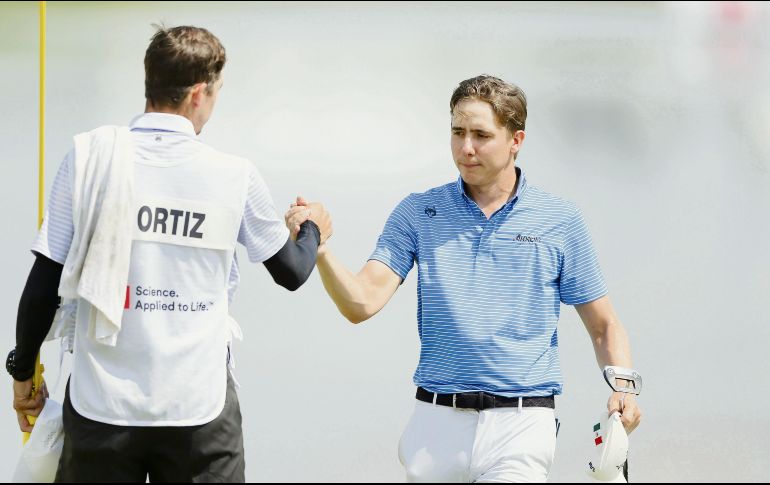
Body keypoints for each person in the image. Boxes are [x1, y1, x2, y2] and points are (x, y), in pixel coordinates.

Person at [9, 25, 331, 482]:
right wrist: (312, 227)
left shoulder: (88, 156)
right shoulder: (234, 174)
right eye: (216, 92)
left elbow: (43, 281)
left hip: (101, 406)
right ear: (199, 93)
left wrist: (22, 371)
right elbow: (293, 271)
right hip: (199, 411)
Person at [285, 75, 642, 482]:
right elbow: (361, 302)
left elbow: (603, 326)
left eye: (481, 135)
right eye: (457, 132)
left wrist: (623, 388)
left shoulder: (559, 220)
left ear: (516, 140)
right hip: (434, 424)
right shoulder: (419, 212)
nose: (465, 148)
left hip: (521, 425)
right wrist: (321, 250)